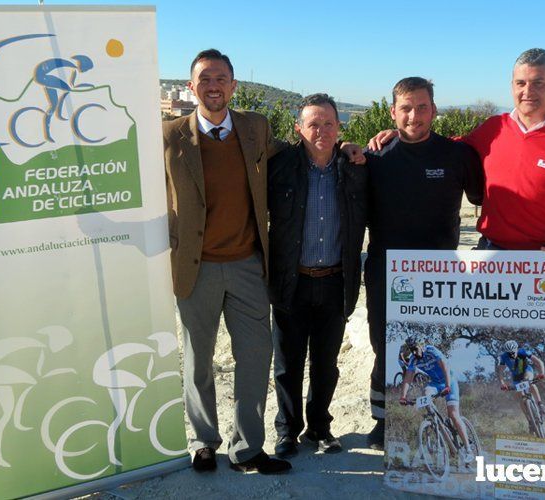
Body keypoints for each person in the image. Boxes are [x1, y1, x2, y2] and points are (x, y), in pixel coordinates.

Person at [369, 49, 545, 286]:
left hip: (544, 261)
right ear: (512, 86)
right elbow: (447, 148)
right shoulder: (493, 128)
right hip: (490, 254)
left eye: (538, 82)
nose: (527, 91)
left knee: (527, 331)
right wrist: (401, 136)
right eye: (520, 83)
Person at [162, 49, 291, 474]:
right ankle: (203, 441)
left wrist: (347, 146)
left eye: (221, 78)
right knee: (198, 360)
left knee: (254, 357)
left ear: (233, 86)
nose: (213, 86)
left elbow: (293, 155)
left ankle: (248, 448)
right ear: (191, 86)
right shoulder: (169, 136)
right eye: (204, 79)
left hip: (247, 265)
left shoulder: (256, 128)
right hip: (193, 268)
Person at [362, 77, 483, 449]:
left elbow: (487, 199)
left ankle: (441, 418)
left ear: (434, 108)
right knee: (386, 348)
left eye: (422, 106)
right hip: (386, 271)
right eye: (406, 107)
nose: (414, 115)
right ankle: (384, 422)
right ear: (392, 111)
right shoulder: (374, 157)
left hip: (438, 274)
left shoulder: (458, 155)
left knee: (433, 348)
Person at [267, 94, 367, 458]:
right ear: (299, 129)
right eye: (313, 124)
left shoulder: (356, 167)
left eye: (328, 123)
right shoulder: (280, 166)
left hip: (335, 281)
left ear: (339, 127)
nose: (321, 130)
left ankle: (319, 428)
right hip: (291, 281)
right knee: (288, 364)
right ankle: (287, 432)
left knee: (326, 364)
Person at [397, 338, 475, 463]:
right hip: (434, 384)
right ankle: (436, 421)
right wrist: (403, 396)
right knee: (426, 394)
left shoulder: (431, 351)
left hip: (449, 380)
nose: (415, 353)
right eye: (412, 351)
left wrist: (448, 385)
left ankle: (468, 449)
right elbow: (407, 379)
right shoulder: (413, 360)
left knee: (454, 415)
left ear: (421, 346)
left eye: (416, 349)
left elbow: (445, 366)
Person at [496, 340, 545, 434]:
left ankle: (540, 404)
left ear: (516, 349)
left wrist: (542, 373)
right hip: (516, 377)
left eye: (513, 352)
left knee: (529, 382)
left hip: (527, 371)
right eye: (509, 353)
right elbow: (500, 372)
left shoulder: (522, 352)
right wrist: (502, 383)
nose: (512, 355)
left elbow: (538, 362)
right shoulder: (503, 357)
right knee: (520, 395)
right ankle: (530, 421)